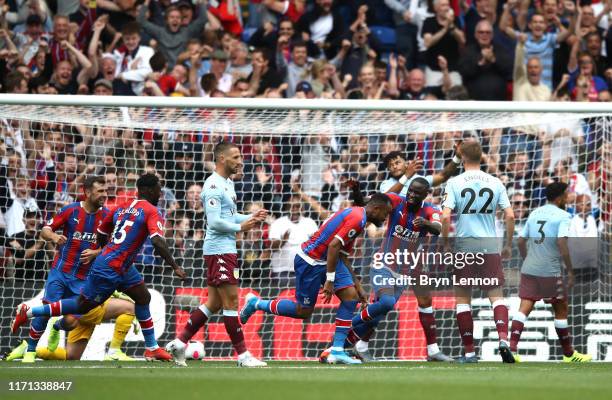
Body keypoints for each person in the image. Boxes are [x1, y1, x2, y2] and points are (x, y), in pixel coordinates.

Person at [11, 174, 186, 362]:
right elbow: (157, 240)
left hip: (118, 266)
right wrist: (175, 266)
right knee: (80, 307)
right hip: (92, 269)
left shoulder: (120, 207)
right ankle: (29, 319)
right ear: (150, 190)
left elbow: (102, 232)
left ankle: (150, 348)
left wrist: (100, 252)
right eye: (159, 190)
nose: (161, 193)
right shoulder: (150, 211)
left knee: (143, 297)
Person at [240, 193, 393, 364]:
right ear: (376, 209)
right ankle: (256, 303)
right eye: (385, 214)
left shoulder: (359, 217)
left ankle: (336, 351)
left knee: (351, 296)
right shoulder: (357, 218)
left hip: (327, 259)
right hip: (310, 261)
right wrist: (329, 280)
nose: (386, 218)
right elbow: (333, 246)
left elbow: (341, 253)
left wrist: (358, 285)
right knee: (303, 311)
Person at [322, 178, 453, 362]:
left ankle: (345, 347)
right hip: (383, 264)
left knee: (379, 312)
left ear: (425, 195)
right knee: (386, 303)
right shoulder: (396, 200)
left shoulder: (431, 210)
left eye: (417, 193)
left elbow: (438, 228)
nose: (412, 195)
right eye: (411, 191)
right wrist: (357, 190)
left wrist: (426, 224)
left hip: (404, 270)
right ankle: (348, 327)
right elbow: (365, 204)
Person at [166, 142, 269, 367]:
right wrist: (242, 227)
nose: (240, 161)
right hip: (219, 250)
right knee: (231, 301)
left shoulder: (228, 183)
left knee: (213, 303)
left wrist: (250, 217)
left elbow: (228, 216)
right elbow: (214, 222)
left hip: (226, 249)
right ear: (222, 159)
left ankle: (180, 342)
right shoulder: (213, 185)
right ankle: (243, 356)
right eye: (236, 157)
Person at [11, 175, 109, 363]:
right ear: (87, 192)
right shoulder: (70, 210)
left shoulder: (107, 216)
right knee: (48, 308)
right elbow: (45, 230)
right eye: (100, 191)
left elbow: (112, 245)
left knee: (71, 322)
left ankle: (57, 328)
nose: (104, 195)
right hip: (60, 272)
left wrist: (96, 253)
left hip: (83, 279)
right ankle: (30, 351)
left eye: (106, 191)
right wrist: (54, 238)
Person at [441, 141, 515, 363]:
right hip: (490, 246)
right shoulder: (495, 182)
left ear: (461, 156)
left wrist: (446, 244)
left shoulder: (454, 182)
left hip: (465, 246)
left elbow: (445, 216)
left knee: (463, 300)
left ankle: (470, 352)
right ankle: (503, 340)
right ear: (482, 156)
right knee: (497, 297)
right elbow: (510, 216)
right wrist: (508, 244)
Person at [510, 182, 592, 362]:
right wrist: (570, 270)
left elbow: (521, 241)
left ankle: (512, 348)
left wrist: (527, 258)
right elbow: (562, 243)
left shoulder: (534, 213)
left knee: (525, 306)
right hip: (550, 269)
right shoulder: (563, 216)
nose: (569, 197)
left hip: (530, 267)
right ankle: (569, 354)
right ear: (559, 197)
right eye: (567, 194)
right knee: (561, 308)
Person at [7, 293, 137, 362]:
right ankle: (114, 352)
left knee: (71, 357)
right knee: (129, 308)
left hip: (82, 311)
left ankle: (27, 350)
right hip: (89, 302)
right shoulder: (99, 252)